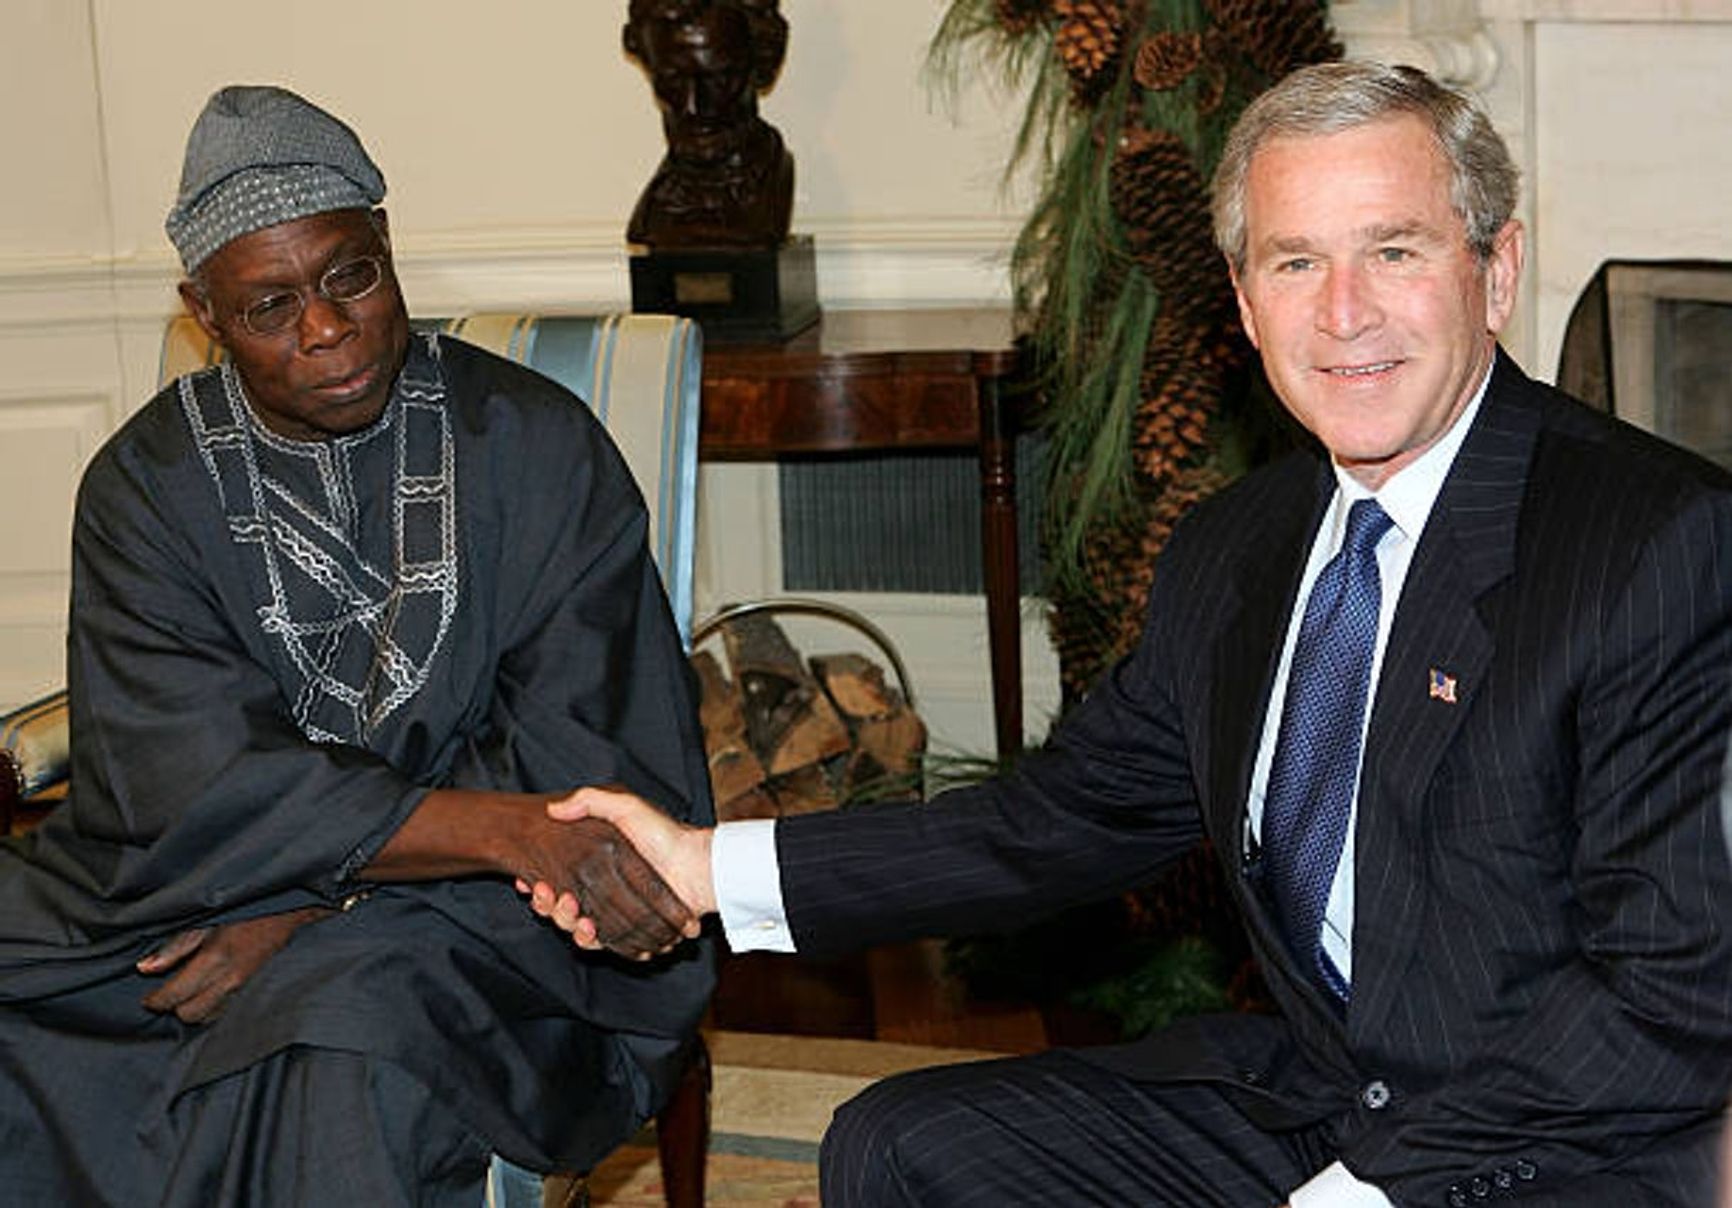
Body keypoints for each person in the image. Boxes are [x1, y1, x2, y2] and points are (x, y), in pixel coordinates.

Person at [535, 61, 1732, 1206]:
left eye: (1395, 251)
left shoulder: (1653, 543)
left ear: (1496, 270)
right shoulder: (1239, 549)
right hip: (1323, 1095)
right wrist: (701, 869)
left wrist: (1370, 1190)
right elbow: (1053, 822)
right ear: (1245, 301)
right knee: (906, 1144)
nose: (1344, 311)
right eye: (1296, 261)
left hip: (1561, 1136)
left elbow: (1669, 992)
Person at [0, 85, 714, 1206]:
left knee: (340, 1034)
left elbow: (588, 757)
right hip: (197, 883)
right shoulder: (144, 488)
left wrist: (316, 908)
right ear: (204, 312)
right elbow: (183, 777)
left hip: (492, 915)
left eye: (350, 277)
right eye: (270, 304)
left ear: (386, 245)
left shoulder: (534, 446)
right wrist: (289, 896)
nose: (325, 328)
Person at [622, 0, 796, 249]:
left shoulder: (770, 190)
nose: (695, 108)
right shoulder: (655, 210)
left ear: (762, 64)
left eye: (718, 79)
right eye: (673, 80)